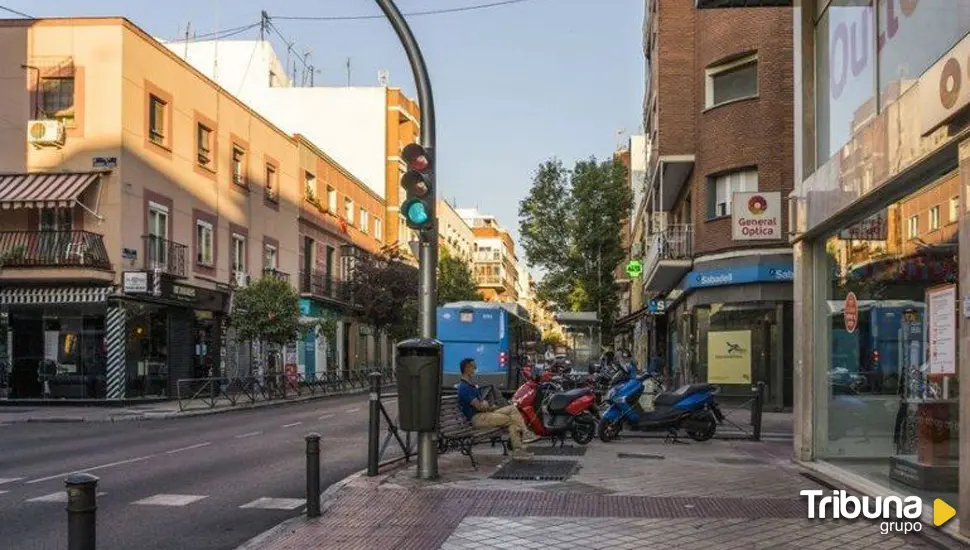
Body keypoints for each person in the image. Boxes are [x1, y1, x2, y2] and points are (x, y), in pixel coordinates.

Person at [456, 358, 533, 459]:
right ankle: (518, 450)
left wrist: (489, 406)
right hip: (477, 418)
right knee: (512, 420)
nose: (475, 368)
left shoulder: (471, 385)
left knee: (512, 409)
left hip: (484, 414)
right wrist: (485, 405)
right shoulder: (464, 387)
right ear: (466, 368)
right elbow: (479, 406)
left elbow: (482, 404)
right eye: (473, 367)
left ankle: (526, 434)